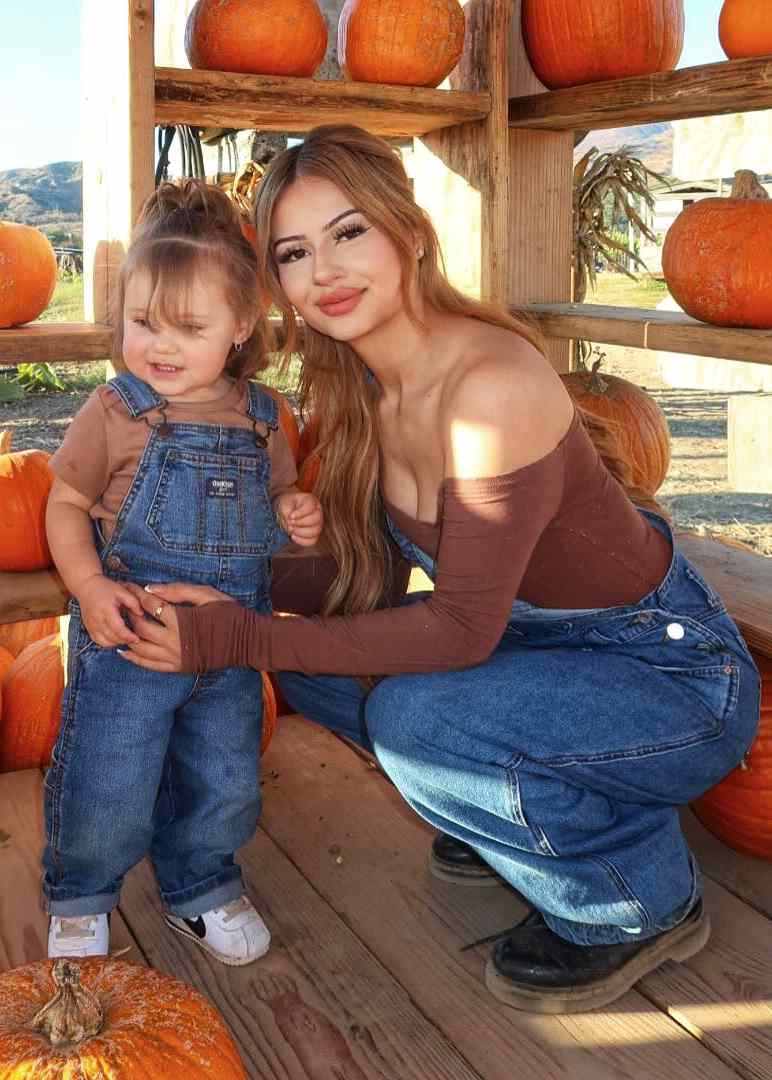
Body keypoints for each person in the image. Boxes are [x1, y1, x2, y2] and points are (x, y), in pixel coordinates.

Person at [118, 125, 760, 1013]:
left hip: (672, 680)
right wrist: (210, 585)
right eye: (294, 252)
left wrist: (235, 634)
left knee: (415, 717)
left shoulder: (487, 386)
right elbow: (361, 581)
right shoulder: (366, 395)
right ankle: (520, 811)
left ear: (407, 230)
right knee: (334, 684)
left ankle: (634, 896)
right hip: (544, 660)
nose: (326, 271)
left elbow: (460, 629)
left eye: (350, 233)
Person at [43, 179, 323, 965]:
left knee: (225, 775)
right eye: (142, 323)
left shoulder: (266, 416)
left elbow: (276, 498)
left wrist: (298, 508)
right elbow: (65, 504)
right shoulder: (117, 411)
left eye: (189, 327)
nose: (160, 345)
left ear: (240, 326)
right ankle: (82, 890)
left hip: (230, 644)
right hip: (130, 635)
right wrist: (90, 588)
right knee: (110, 771)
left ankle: (200, 884)